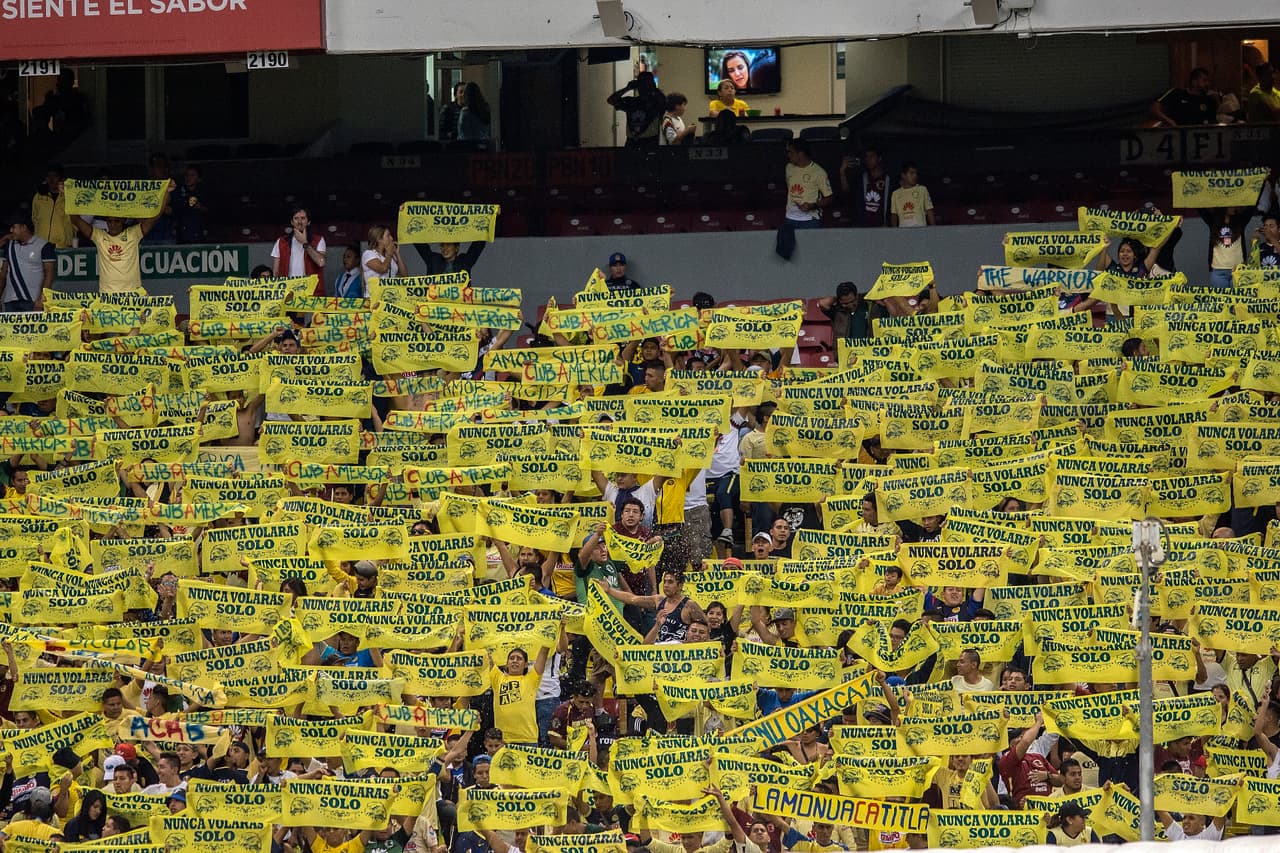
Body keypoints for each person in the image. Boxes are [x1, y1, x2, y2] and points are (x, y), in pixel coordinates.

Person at [70, 179, 175, 294]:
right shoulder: (99, 236)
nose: (113, 224)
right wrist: (67, 195)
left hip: (132, 294)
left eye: (117, 221)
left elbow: (154, 218)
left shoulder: (133, 234)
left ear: (123, 221)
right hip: (108, 295)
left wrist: (166, 193)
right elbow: (76, 220)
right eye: (110, 221)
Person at [776, 138, 833, 261]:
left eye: (791, 152)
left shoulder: (818, 172)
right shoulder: (789, 168)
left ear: (800, 154)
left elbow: (829, 198)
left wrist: (812, 206)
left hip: (810, 221)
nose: (788, 155)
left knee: (812, 256)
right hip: (790, 220)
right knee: (788, 256)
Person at [1, 215, 55, 311]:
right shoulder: (9, 245)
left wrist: (41, 299)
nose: (11, 230)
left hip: (33, 301)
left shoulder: (44, 246)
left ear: (24, 227)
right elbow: (3, 274)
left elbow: (49, 274)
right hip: (10, 301)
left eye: (14, 227)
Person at [270, 206, 327, 290]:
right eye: (296, 218)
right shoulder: (281, 242)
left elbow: (321, 262)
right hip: (287, 293)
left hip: (311, 293)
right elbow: (275, 272)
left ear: (308, 222)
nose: (299, 222)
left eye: (303, 218)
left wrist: (305, 243)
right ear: (292, 222)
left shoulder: (318, 240)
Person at [607, 71, 666, 148]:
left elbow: (664, 102)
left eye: (646, 84)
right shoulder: (632, 101)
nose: (643, 87)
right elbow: (611, 100)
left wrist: (654, 89)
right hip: (632, 143)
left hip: (649, 144)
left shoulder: (655, 103)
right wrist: (627, 88)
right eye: (641, 84)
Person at [840, 147, 892, 227]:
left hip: (882, 227)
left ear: (879, 158)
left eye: (872, 156)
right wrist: (842, 172)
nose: (868, 159)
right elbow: (846, 190)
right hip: (864, 227)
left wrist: (888, 222)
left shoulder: (888, 179)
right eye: (866, 157)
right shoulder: (861, 178)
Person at [1151, 67, 1218, 126]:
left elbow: (1213, 122)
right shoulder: (1177, 93)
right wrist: (1169, 122)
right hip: (1176, 133)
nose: (1207, 84)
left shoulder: (1209, 100)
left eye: (1208, 81)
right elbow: (1154, 108)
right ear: (1194, 82)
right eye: (1204, 80)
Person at [32, 165, 74, 248]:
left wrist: (68, 238)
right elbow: (34, 218)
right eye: (49, 176)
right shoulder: (38, 196)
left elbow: (75, 221)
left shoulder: (69, 197)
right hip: (41, 245)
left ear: (61, 178)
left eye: (55, 176)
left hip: (62, 246)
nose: (51, 179)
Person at [360, 224, 407, 296]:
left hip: (390, 298)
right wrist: (389, 254)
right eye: (388, 236)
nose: (391, 238)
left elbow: (405, 276)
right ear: (379, 239)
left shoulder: (390, 256)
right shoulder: (368, 254)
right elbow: (383, 268)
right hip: (374, 299)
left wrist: (397, 254)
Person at [890, 162, 935, 228]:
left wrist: (934, 230)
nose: (915, 176)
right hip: (903, 231)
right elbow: (894, 215)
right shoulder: (896, 194)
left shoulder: (922, 189)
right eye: (911, 173)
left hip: (920, 230)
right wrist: (894, 232)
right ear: (903, 175)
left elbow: (929, 210)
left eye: (916, 173)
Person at [172, 164, 208, 244]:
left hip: (198, 235)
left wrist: (201, 207)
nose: (188, 178)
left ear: (199, 179)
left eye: (192, 175)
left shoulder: (203, 193)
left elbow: (211, 211)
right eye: (187, 175)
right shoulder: (178, 193)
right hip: (181, 235)